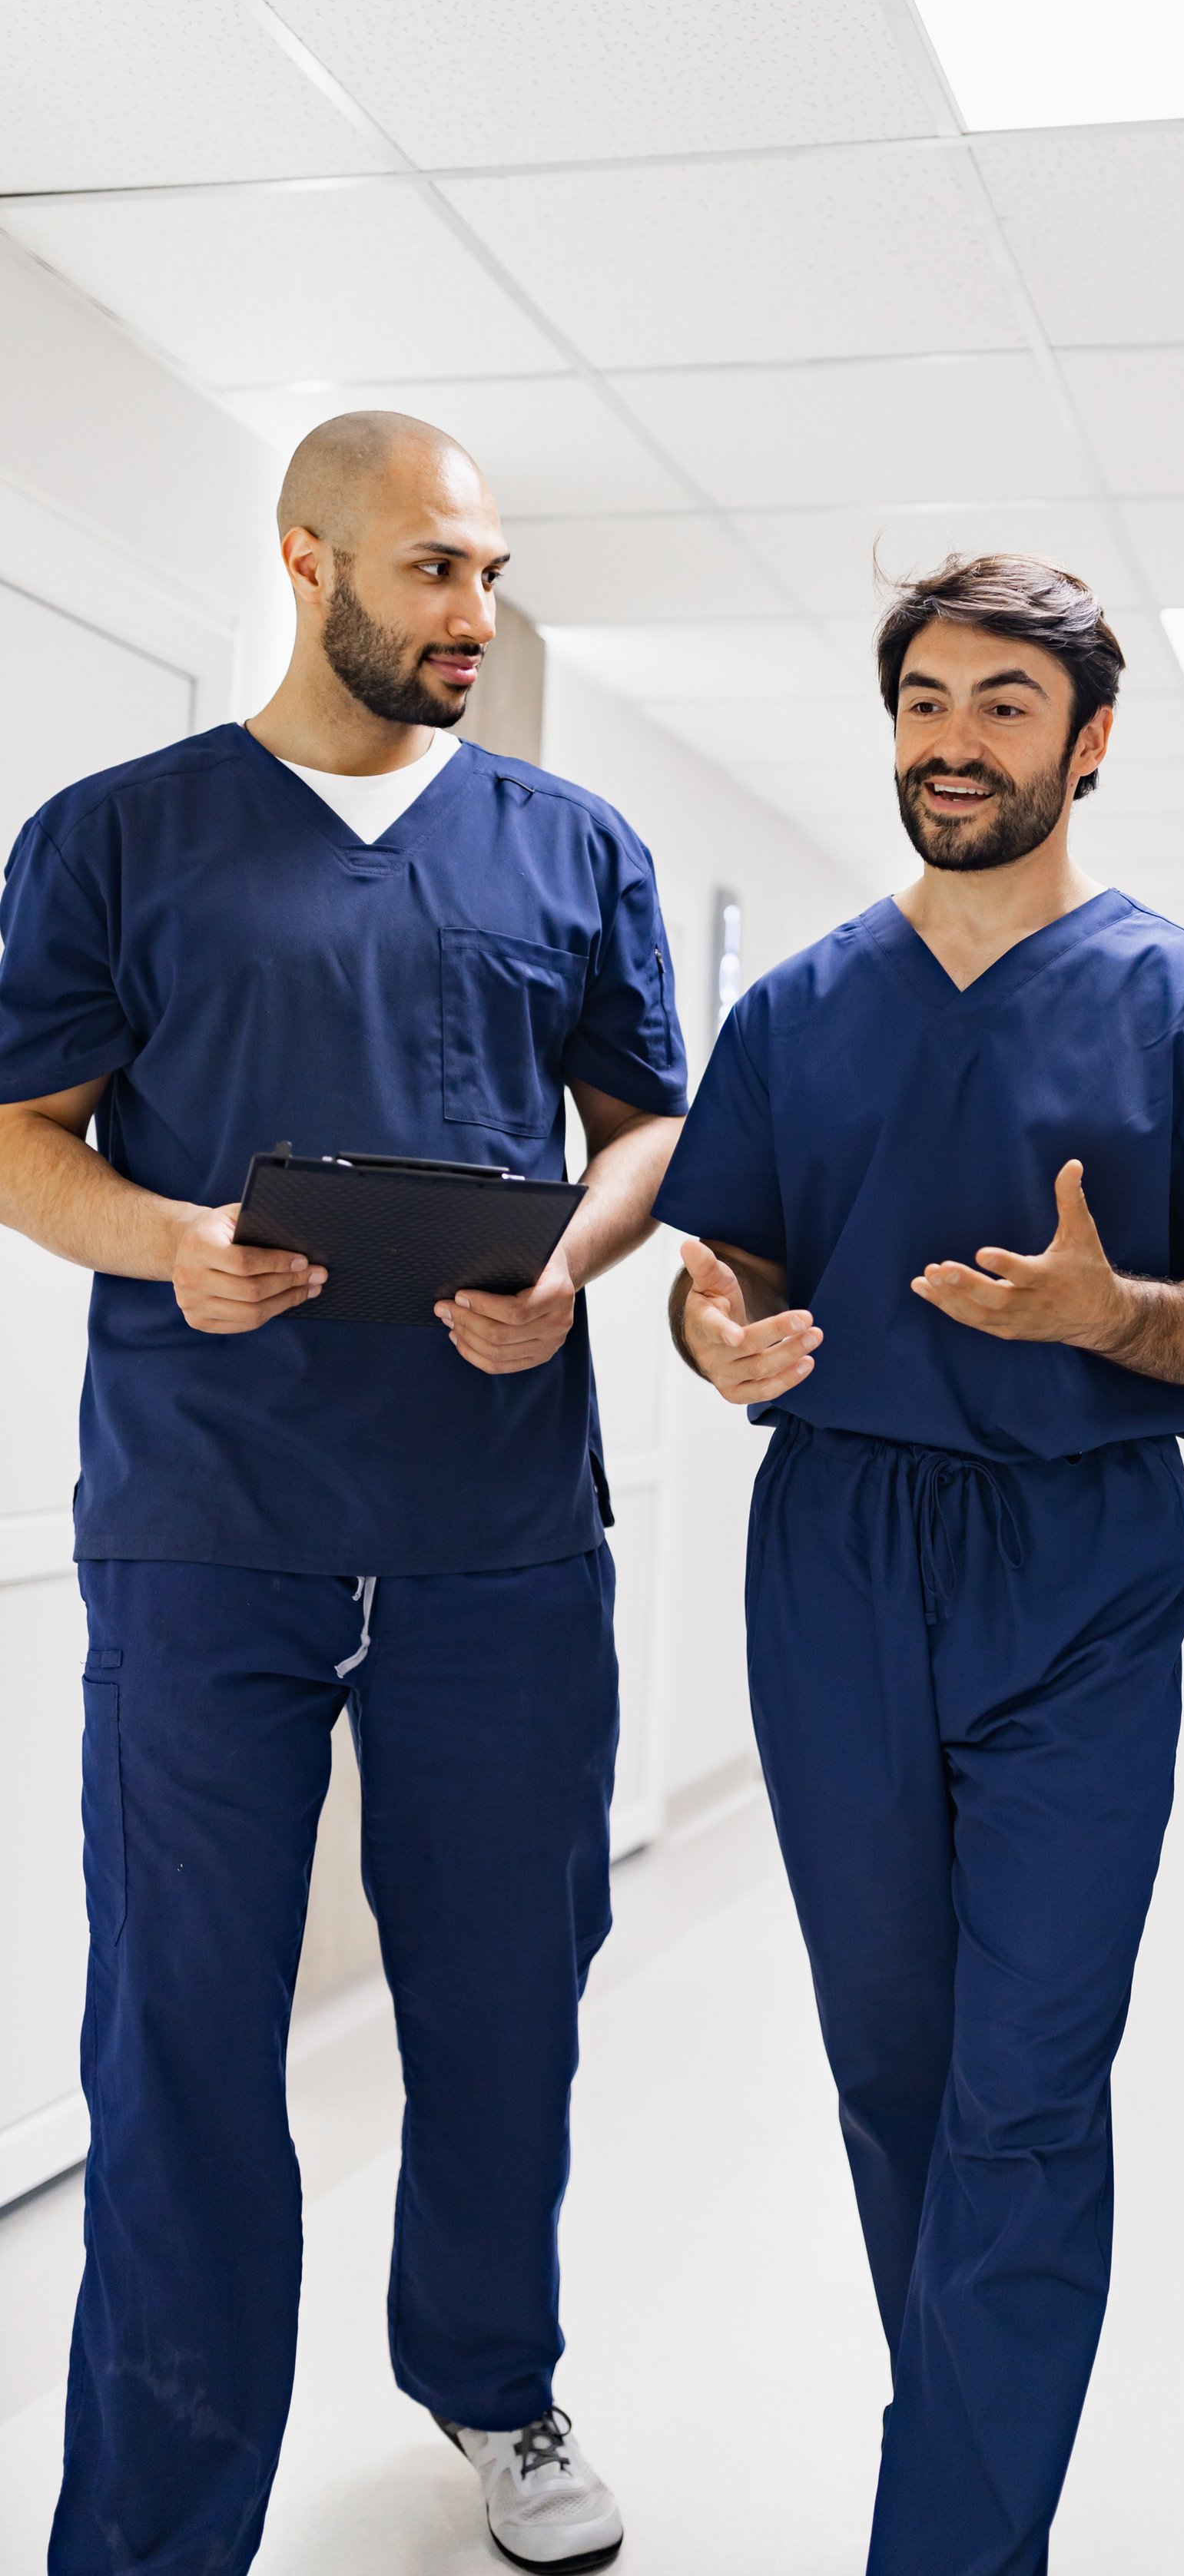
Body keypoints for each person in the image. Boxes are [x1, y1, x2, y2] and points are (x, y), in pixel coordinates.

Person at [0, 412, 687, 2576]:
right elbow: (26, 1135)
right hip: (209, 1524)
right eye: (431, 573)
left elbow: (648, 1128)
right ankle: (153, 2521)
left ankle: (494, 2382)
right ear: (306, 560)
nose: (475, 614)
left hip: (494, 1528)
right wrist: (172, 1244)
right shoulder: (121, 838)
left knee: (507, 1998)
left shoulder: (573, 849)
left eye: (489, 573)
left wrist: (573, 1261)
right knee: (184, 2029)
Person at [656, 552, 1184, 2576]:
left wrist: (1108, 1314)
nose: (955, 744)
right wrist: (720, 1342)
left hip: (1079, 1567)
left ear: (1090, 743)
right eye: (927, 703)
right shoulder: (797, 1010)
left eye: (1004, 708)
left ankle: (946, 2541)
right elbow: (728, 1278)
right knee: (896, 2067)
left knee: (1027, 2086)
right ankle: (974, 2489)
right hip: (839, 1558)